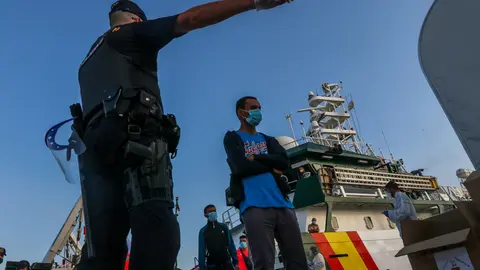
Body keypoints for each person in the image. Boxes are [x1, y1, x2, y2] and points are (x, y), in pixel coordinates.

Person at [75, 0, 292, 269]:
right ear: (136, 20)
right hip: (138, 145)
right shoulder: (132, 34)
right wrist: (254, 3)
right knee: (158, 236)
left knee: (102, 245)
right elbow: (191, 18)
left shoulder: (88, 61)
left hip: (95, 155)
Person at [223, 96, 309, 270]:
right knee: (263, 263)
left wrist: (257, 158)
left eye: (259, 108)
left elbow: (284, 162)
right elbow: (240, 166)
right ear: (241, 113)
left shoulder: (268, 139)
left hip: (284, 206)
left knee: (298, 261)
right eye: (254, 107)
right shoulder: (232, 137)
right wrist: (271, 165)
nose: (258, 112)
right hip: (254, 207)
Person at [198, 204, 238, 270]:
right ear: (205, 215)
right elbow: (201, 251)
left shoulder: (224, 227)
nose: (213, 213)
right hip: (212, 266)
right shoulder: (203, 231)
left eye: (214, 211)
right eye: (210, 212)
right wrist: (202, 268)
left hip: (227, 263)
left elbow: (230, 245)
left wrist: (235, 262)